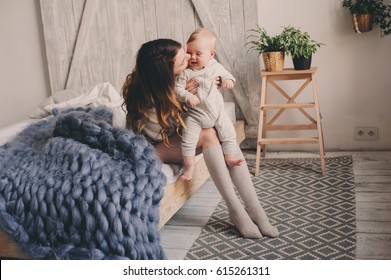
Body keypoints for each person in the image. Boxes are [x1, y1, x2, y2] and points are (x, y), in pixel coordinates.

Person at [121, 38, 279, 239]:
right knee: (208, 133)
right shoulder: (148, 102)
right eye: (182, 60)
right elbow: (173, 130)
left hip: (174, 132)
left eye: (185, 53)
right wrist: (184, 97)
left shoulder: (180, 78)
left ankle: (255, 208)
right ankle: (236, 210)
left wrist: (209, 88)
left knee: (223, 129)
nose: (189, 58)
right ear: (166, 74)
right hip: (156, 146)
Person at [176, 28, 243, 181]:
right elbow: (177, 89)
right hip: (196, 115)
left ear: (211, 54)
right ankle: (190, 167)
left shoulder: (215, 66)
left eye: (198, 54)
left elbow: (228, 75)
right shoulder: (185, 73)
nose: (192, 57)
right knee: (188, 141)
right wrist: (186, 95)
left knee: (229, 133)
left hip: (217, 111)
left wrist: (227, 81)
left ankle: (230, 156)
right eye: (189, 52)